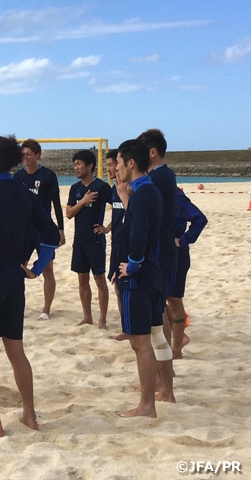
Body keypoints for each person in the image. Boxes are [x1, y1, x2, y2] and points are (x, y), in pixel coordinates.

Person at [0, 135, 60, 437]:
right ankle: (29, 415)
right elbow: (51, 234)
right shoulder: (26, 195)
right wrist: (35, 268)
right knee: (16, 351)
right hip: (15, 279)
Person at [112, 139, 165, 418]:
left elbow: (139, 236)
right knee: (151, 337)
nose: (116, 168)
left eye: (118, 163)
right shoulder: (146, 191)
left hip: (139, 277)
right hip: (152, 273)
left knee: (140, 342)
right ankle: (161, 392)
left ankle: (147, 405)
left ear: (131, 163)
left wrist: (131, 266)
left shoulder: (144, 193)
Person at [136, 128, 176, 403]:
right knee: (158, 316)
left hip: (160, 254)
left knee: (157, 319)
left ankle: (164, 383)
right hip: (161, 252)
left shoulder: (158, 177)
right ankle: (162, 380)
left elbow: (150, 217)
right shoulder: (162, 176)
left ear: (151, 152)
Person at [13, 139, 66, 320]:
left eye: (29, 154)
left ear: (37, 155)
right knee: (19, 267)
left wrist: (60, 229)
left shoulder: (48, 176)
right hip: (23, 229)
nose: (25, 157)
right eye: (23, 154)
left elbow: (56, 204)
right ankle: (16, 305)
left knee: (47, 270)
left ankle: (46, 309)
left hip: (43, 229)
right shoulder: (18, 177)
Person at [66, 150, 112, 329]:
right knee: (82, 280)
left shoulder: (101, 187)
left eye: (79, 164)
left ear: (90, 166)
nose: (76, 167)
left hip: (95, 241)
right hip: (79, 241)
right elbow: (69, 213)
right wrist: (83, 201)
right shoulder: (75, 188)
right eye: (75, 164)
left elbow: (119, 206)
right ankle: (87, 316)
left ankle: (102, 320)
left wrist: (107, 228)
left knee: (99, 280)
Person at [167, 187, 207, 358]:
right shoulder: (146, 189)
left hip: (176, 255)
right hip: (158, 253)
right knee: (159, 299)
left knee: (174, 299)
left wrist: (183, 240)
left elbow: (199, 219)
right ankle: (177, 338)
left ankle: (177, 347)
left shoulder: (173, 194)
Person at [94, 149, 125, 318]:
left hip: (127, 244)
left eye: (111, 165)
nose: (109, 168)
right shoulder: (114, 189)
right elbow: (117, 213)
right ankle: (125, 325)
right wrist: (108, 228)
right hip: (116, 243)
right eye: (107, 165)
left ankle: (130, 327)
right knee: (117, 285)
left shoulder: (128, 188)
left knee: (124, 286)